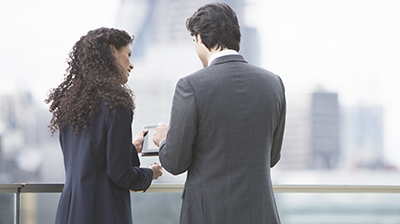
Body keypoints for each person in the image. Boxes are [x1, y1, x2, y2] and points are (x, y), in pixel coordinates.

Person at [152, 2, 286, 224]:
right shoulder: (273, 84)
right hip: (261, 215)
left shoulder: (191, 86)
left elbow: (175, 163)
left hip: (209, 215)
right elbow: (272, 157)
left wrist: (165, 140)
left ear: (200, 39)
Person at [45, 27, 163, 224]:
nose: (131, 64)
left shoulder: (71, 103)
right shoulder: (116, 101)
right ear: (112, 51)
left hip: (70, 211)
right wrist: (150, 174)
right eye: (128, 54)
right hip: (103, 212)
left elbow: (91, 160)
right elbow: (120, 174)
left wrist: (130, 149)